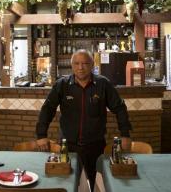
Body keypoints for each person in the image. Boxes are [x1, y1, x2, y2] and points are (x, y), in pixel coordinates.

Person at [35, 49, 132, 190]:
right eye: (77, 63)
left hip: (95, 145)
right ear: (72, 65)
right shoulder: (62, 85)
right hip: (67, 146)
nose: (81, 67)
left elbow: (120, 108)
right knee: (65, 183)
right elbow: (47, 109)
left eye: (85, 63)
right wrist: (41, 135)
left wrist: (125, 134)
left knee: (96, 183)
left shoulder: (103, 84)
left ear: (92, 65)